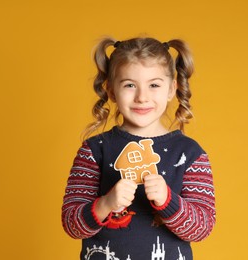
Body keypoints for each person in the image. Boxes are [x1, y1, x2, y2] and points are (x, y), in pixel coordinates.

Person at [62, 36, 216, 260]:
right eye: (129, 85)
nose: (142, 97)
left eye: (154, 85)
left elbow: (202, 228)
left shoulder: (190, 153)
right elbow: (72, 225)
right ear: (112, 91)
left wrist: (167, 201)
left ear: (172, 88)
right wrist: (105, 204)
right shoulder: (94, 150)